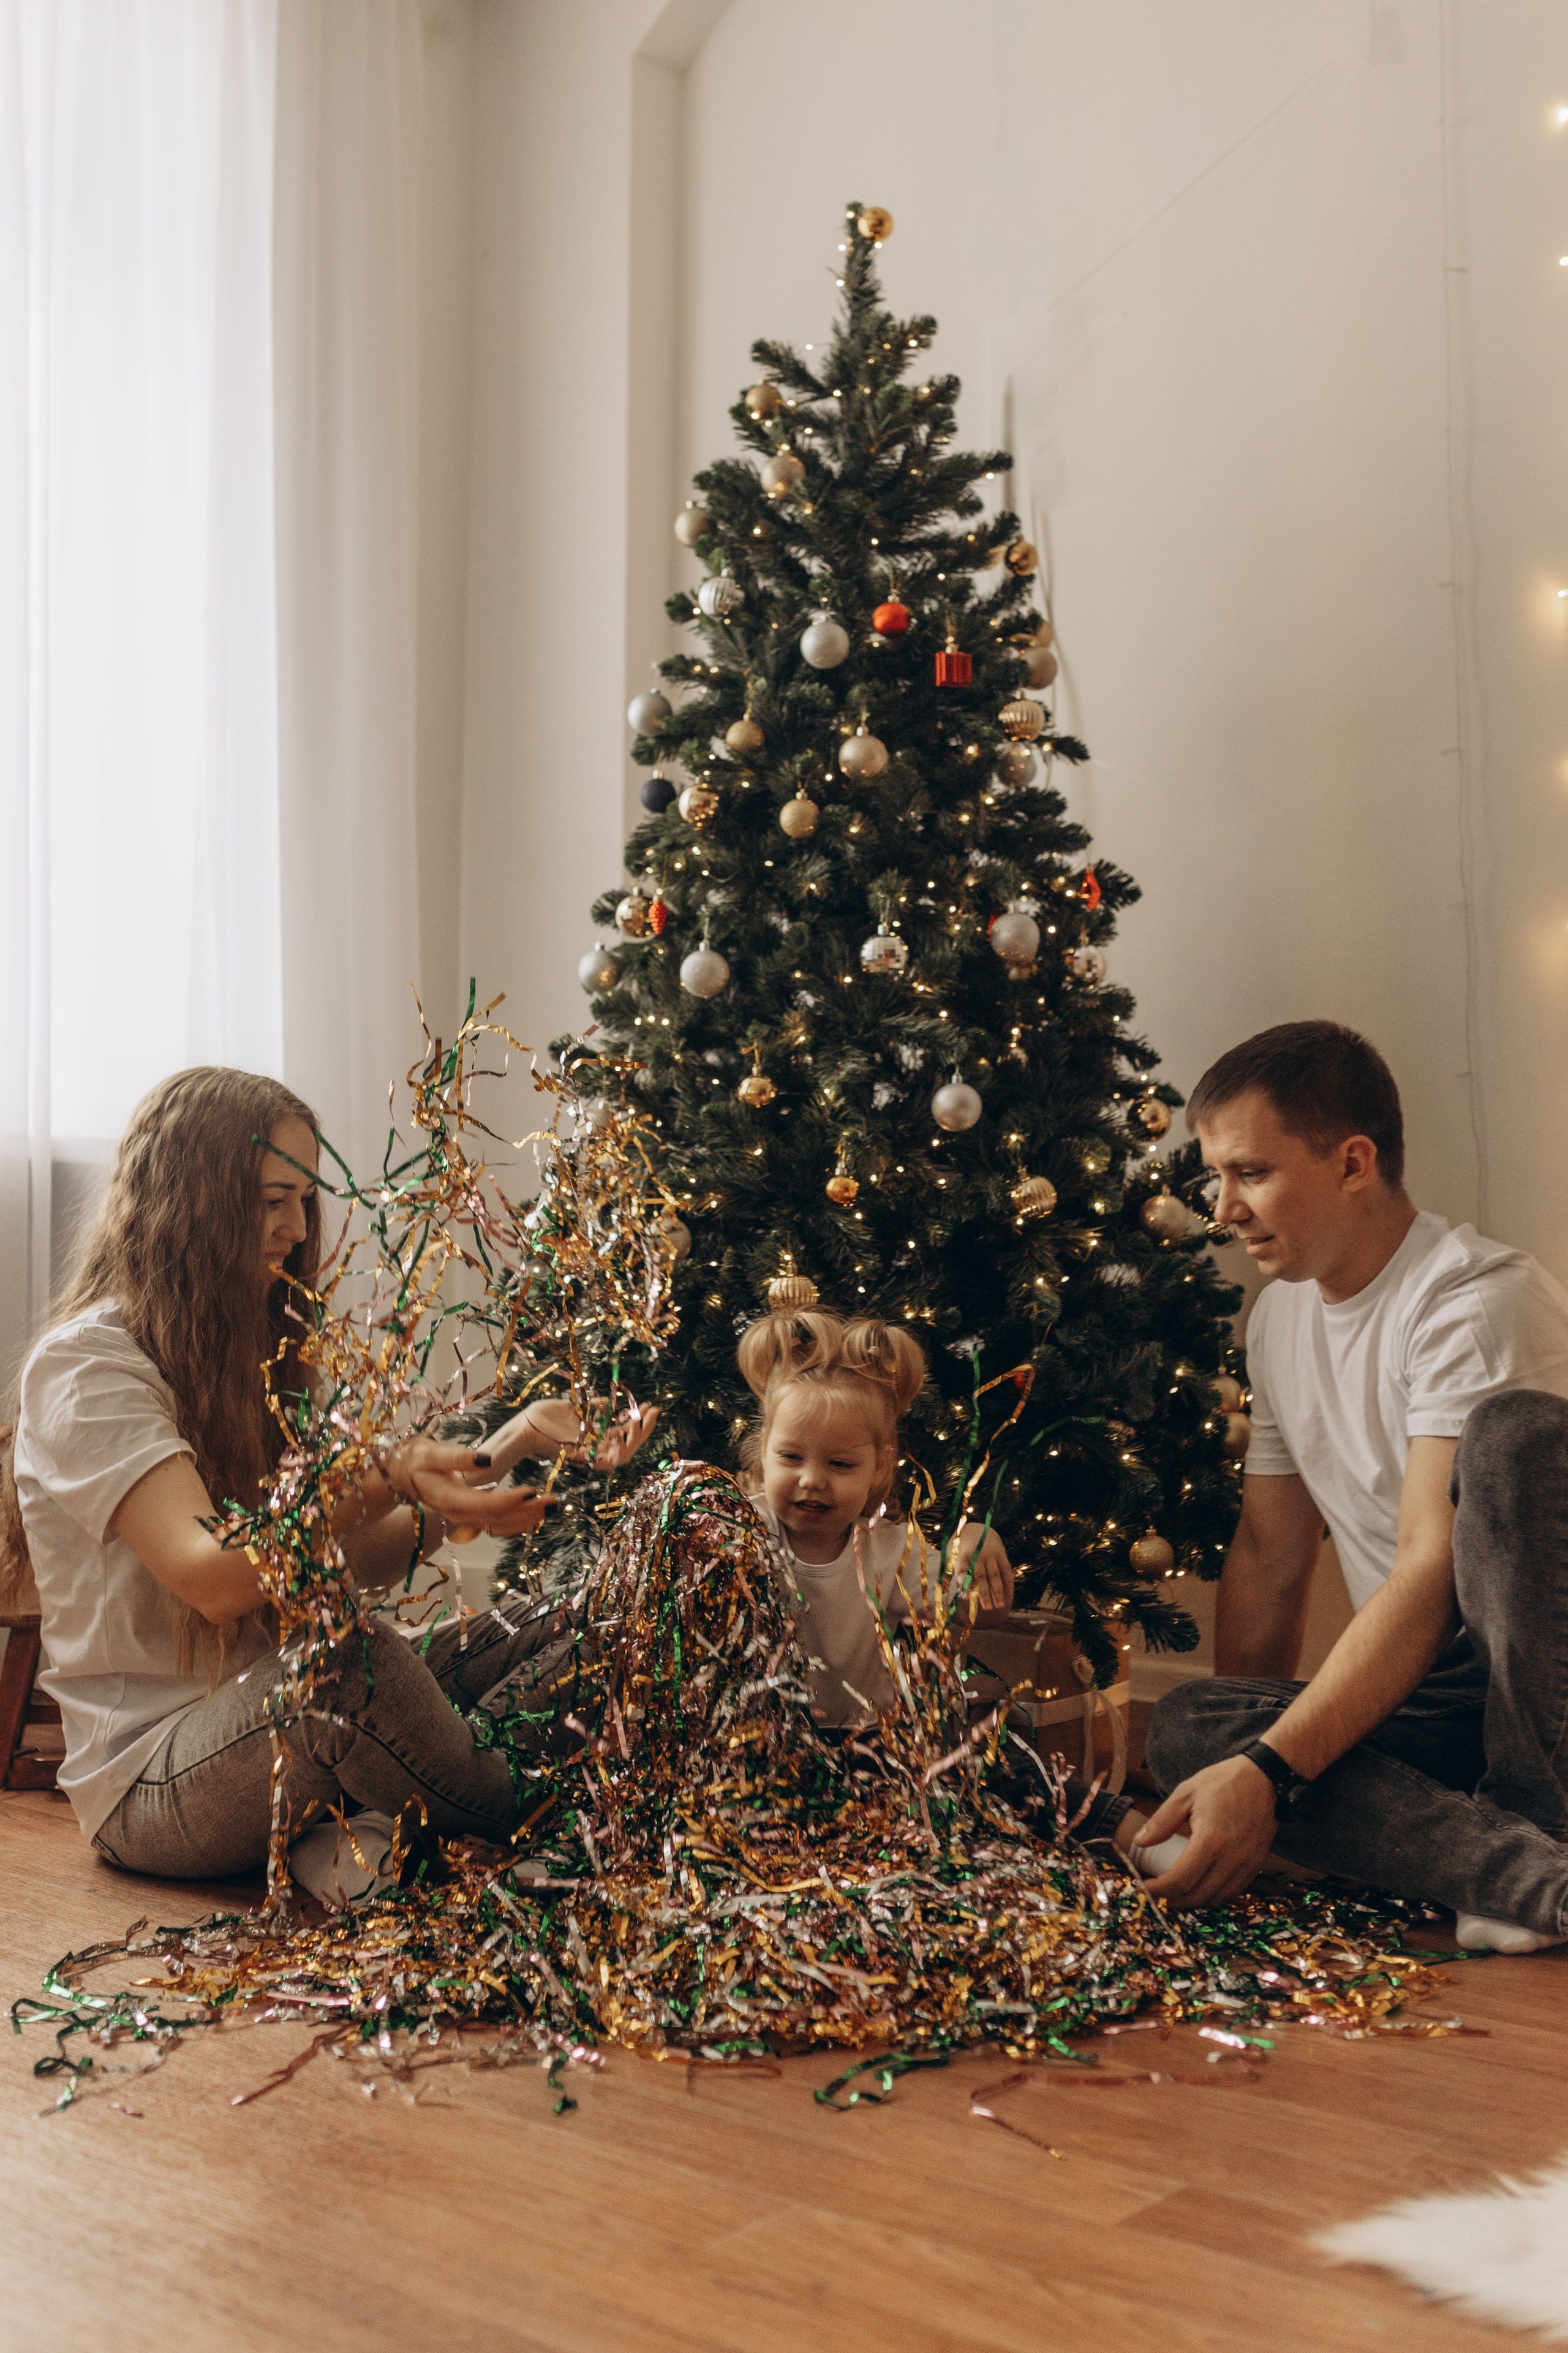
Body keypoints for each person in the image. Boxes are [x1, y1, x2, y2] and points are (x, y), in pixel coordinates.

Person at [2, 1067, 657, 1882]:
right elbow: (214, 1578)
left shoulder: (248, 1349)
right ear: (194, 1197)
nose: (296, 1224)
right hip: (153, 1779)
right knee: (346, 1662)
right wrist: (388, 1474)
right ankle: (542, 1823)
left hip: (269, 1714)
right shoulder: (89, 1365)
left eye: (306, 1198)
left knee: (549, 1622)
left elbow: (339, 1562)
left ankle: (413, 1808)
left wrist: (505, 1447)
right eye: (272, 1197)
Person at [1133, 1020, 1568, 1952]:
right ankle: (1518, 1867)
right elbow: (1270, 1551)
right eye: (1218, 1177)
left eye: (1249, 1172)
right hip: (1443, 1696)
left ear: (1353, 1161)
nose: (1223, 1208)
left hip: (1544, 1687)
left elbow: (1428, 1569)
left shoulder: (1474, 1298)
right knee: (1187, 1725)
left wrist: (1273, 1776)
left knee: (1512, 1438)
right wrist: (1233, 1781)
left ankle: (1536, 1858)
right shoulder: (1277, 1318)